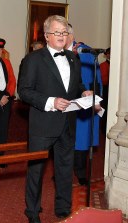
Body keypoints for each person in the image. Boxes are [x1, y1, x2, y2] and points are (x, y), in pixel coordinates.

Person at [18, 15, 91, 223]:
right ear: (47, 35)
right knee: (36, 172)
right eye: (57, 32)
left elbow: (75, 85)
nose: (62, 36)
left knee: (65, 168)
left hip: (68, 123)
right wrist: (51, 102)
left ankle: (63, 208)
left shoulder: (73, 58)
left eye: (65, 32)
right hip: (43, 124)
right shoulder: (33, 59)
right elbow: (24, 92)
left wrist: (84, 91)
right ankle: (32, 213)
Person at [65, 25, 103, 186]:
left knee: (80, 140)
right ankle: (64, 171)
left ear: (71, 35)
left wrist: (95, 101)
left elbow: (93, 80)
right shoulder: (56, 52)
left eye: (63, 33)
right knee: (63, 140)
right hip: (63, 103)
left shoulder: (84, 53)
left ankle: (81, 173)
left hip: (81, 104)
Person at [100, 47, 110, 132]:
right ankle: (104, 129)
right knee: (105, 109)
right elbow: (103, 80)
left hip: (111, 90)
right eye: (108, 53)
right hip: (106, 90)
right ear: (106, 55)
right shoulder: (103, 65)